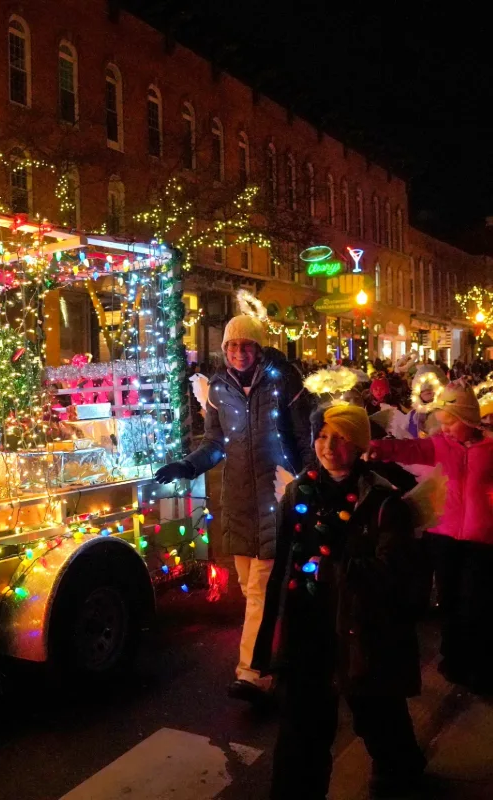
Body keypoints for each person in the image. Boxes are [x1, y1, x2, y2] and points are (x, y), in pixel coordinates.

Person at [254, 405, 425, 799]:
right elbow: (285, 562)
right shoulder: (298, 491)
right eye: (322, 436)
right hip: (307, 626)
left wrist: (335, 571)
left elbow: (395, 571)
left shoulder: (382, 500)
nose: (329, 446)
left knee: (378, 715)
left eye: (341, 437)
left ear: (360, 444)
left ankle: (401, 774)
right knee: (301, 728)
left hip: (362, 630)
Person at [155, 314, 313, 705]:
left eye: (247, 345)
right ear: (225, 349)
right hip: (239, 502)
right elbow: (215, 444)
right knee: (250, 588)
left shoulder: (284, 382)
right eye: (233, 346)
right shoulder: (219, 388)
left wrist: (308, 482)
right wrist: (188, 465)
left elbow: (304, 438)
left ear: (258, 348)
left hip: (277, 495)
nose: (240, 352)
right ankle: (289, 651)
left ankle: (253, 673)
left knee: (260, 589)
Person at [368, 381, 493, 693]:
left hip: (481, 539)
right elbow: (410, 448)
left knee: (474, 601)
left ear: (468, 419)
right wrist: (379, 448)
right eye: (442, 422)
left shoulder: (490, 449)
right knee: (448, 599)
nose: (444, 428)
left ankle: (476, 662)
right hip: (443, 536)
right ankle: (453, 659)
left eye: (450, 422)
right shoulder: (440, 445)